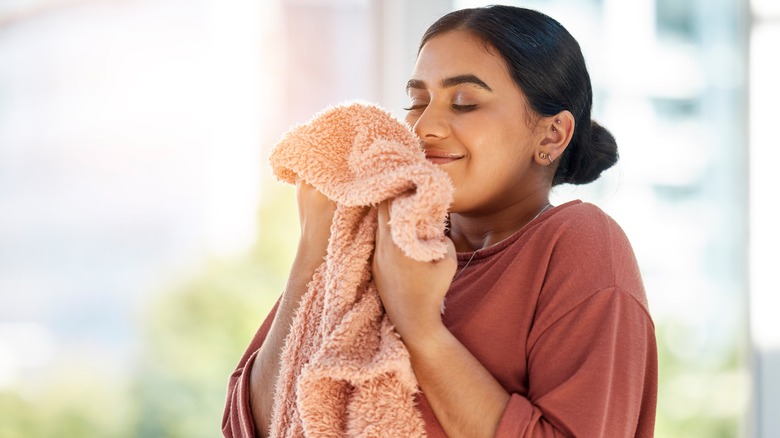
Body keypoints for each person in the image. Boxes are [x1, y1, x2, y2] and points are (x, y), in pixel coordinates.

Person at [223, 5, 657, 438]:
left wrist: (421, 328)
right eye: (417, 101)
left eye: (465, 103)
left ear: (552, 135)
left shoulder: (580, 243)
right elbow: (254, 425)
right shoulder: (380, 233)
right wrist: (313, 252)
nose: (425, 125)